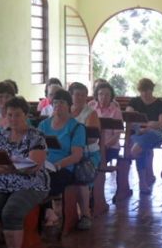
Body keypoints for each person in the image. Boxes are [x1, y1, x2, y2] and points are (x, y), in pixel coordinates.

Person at [0, 97, 50, 248]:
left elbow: (31, 167)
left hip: (31, 182)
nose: (13, 119)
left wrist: (1, 167)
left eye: (18, 115)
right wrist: (10, 166)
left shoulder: (36, 137)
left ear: (26, 115)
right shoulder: (1, 136)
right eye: (10, 115)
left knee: (11, 212)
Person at [37, 89, 84, 226]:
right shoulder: (43, 125)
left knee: (42, 183)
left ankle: (43, 215)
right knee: (27, 180)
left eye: (62, 102)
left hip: (64, 169)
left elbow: (77, 155)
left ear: (69, 105)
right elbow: (35, 147)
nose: (58, 105)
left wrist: (56, 165)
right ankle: (45, 213)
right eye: (55, 102)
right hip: (42, 166)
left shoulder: (76, 127)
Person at [125, 78, 162, 195]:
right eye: (142, 91)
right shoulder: (134, 102)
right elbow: (129, 117)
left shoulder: (160, 104)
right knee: (141, 149)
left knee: (139, 146)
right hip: (137, 133)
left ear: (152, 90)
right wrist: (149, 124)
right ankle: (143, 182)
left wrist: (147, 126)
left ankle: (142, 181)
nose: (145, 94)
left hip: (154, 134)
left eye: (147, 91)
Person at [70, 82, 101, 230]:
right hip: (67, 152)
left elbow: (92, 139)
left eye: (83, 95)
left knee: (80, 171)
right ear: (71, 96)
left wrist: (72, 141)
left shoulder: (90, 113)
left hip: (89, 154)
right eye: (77, 94)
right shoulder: (65, 112)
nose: (80, 98)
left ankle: (85, 214)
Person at [92, 82, 123, 163]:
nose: (103, 97)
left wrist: (104, 146)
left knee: (96, 161)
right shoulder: (91, 109)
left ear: (111, 96)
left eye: (107, 94)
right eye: (101, 94)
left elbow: (116, 136)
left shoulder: (116, 111)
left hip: (110, 147)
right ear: (97, 96)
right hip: (92, 146)